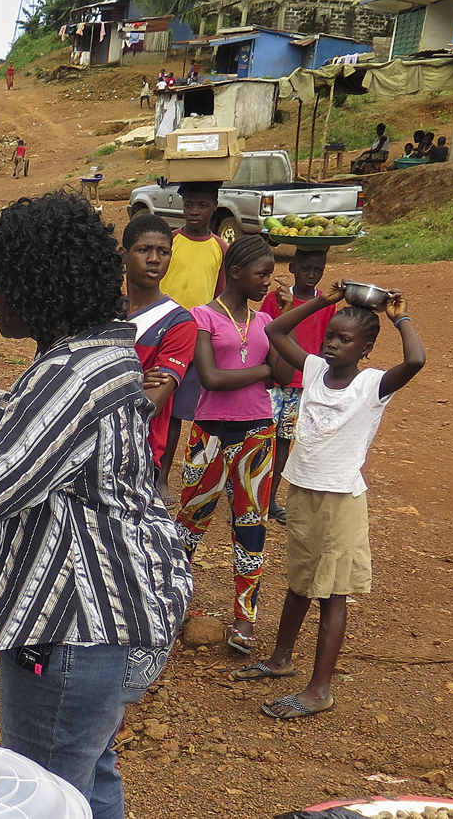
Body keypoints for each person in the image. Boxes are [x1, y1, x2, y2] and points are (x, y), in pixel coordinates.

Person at [0, 193, 191, 818]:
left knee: (40, 795)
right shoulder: (96, 356)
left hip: (69, 632)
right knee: (88, 780)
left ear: (35, 286)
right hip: (106, 627)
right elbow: (33, 432)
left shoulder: (73, 375)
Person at [238, 281, 425, 719]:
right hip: (303, 490)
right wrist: (324, 302)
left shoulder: (373, 385)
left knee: (333, 594)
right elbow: (276, 333)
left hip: (341, 499)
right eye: (330, 337)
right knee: (300, 581)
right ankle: (280, 660)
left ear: (365, 348)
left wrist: (401, 318)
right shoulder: (318, 370)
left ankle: (320, 689)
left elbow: (415, 360)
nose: (333, 345)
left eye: (345, 340)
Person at [174, 236, 288, 655]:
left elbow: (278, 373)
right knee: (191, 521)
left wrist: (285, 318)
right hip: (209, 431)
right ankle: (175, 602)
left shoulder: (263, 322)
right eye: (262, 274)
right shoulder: (201, 317)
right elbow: (211, 378)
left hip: (258, 430)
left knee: (251, 525)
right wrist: (261, 370)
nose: (267, 282)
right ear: (236, 273)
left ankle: (245, 619)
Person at [160, 182, 227, 500]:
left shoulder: (220, 249)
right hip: (161, 332)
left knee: (176, 413)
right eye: (189, 205)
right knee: (152, 404)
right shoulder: (170, 242)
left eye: (202, 205)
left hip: (195, 337)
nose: (194, 211)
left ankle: (162, 478)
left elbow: (220, 296)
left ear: (214, 207)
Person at [258, 249, 335, 523]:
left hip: (303, 385)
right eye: (306, 268)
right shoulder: (276, 299)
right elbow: (265, 335)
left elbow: (328, 343)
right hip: (275, 382)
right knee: (259, 440)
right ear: (293, 267)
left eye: (318, 269)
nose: (312, 274)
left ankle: (270, 499)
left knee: (283, 442)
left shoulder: (327, 303)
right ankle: (250, 493)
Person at [122, 214, 196, 489]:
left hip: (138, 455)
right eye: (144, 250)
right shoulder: (103, 311)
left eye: (163, 252)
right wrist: (134, 381)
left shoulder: (179, 322)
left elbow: (151, 403)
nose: (154, 259)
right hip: (86, 446)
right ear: (124, 255)